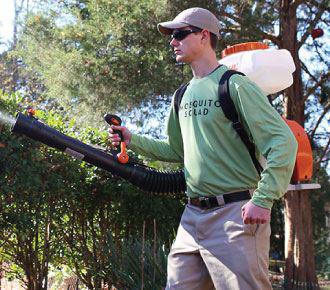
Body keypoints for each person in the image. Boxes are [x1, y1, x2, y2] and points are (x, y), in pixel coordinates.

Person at [109, 7, 298, 290]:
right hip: (192, 218)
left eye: (180, 34)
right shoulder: (182, 95)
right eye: (171, 37)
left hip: (235, 215)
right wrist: (131, 138)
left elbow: (283, 141)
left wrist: (263, 198)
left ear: (204, 36)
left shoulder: (234, 85)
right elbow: (177, 151)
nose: (172, 42)